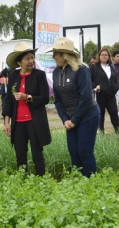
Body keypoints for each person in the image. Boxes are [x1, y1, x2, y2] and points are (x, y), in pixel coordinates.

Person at [47, 37, 100, 177]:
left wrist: (74, 120)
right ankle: (79, 182)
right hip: (70, 119)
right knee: (73, 152)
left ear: (65, 55)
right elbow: (57, 100)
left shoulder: (81, 70)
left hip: (88, 116)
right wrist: (65, 119)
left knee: (84, 151)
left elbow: (86, 97)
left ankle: (91, 183)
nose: (53, 57)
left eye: (56, 54)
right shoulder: (56, 72)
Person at [3, 42, 51, 176]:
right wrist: (7, 122)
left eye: (32, 58)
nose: (31, 61)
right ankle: (22, 180)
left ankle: (41, 179)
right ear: (19, 62)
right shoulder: (12, 76)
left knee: (37, 153)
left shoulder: (39, 75)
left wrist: (28, 97)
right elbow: (8, 100)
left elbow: (45, 98)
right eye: (27, 58)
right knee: (20, 154)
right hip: (18, 122)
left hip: (34, 121)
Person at [89, 48, 119, 133]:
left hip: (111, 95)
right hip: (100, 95)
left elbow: (115, 80)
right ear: (99, 56)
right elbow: (89, 80)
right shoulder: (94, 67)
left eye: (106, 55)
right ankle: (101, 132)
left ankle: (118, 131)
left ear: (109, 56)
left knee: (114, 113)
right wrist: (95, 86)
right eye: (102, 54)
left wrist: (115, 87)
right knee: (100, 114)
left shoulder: (111, 67)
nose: (104, 56)